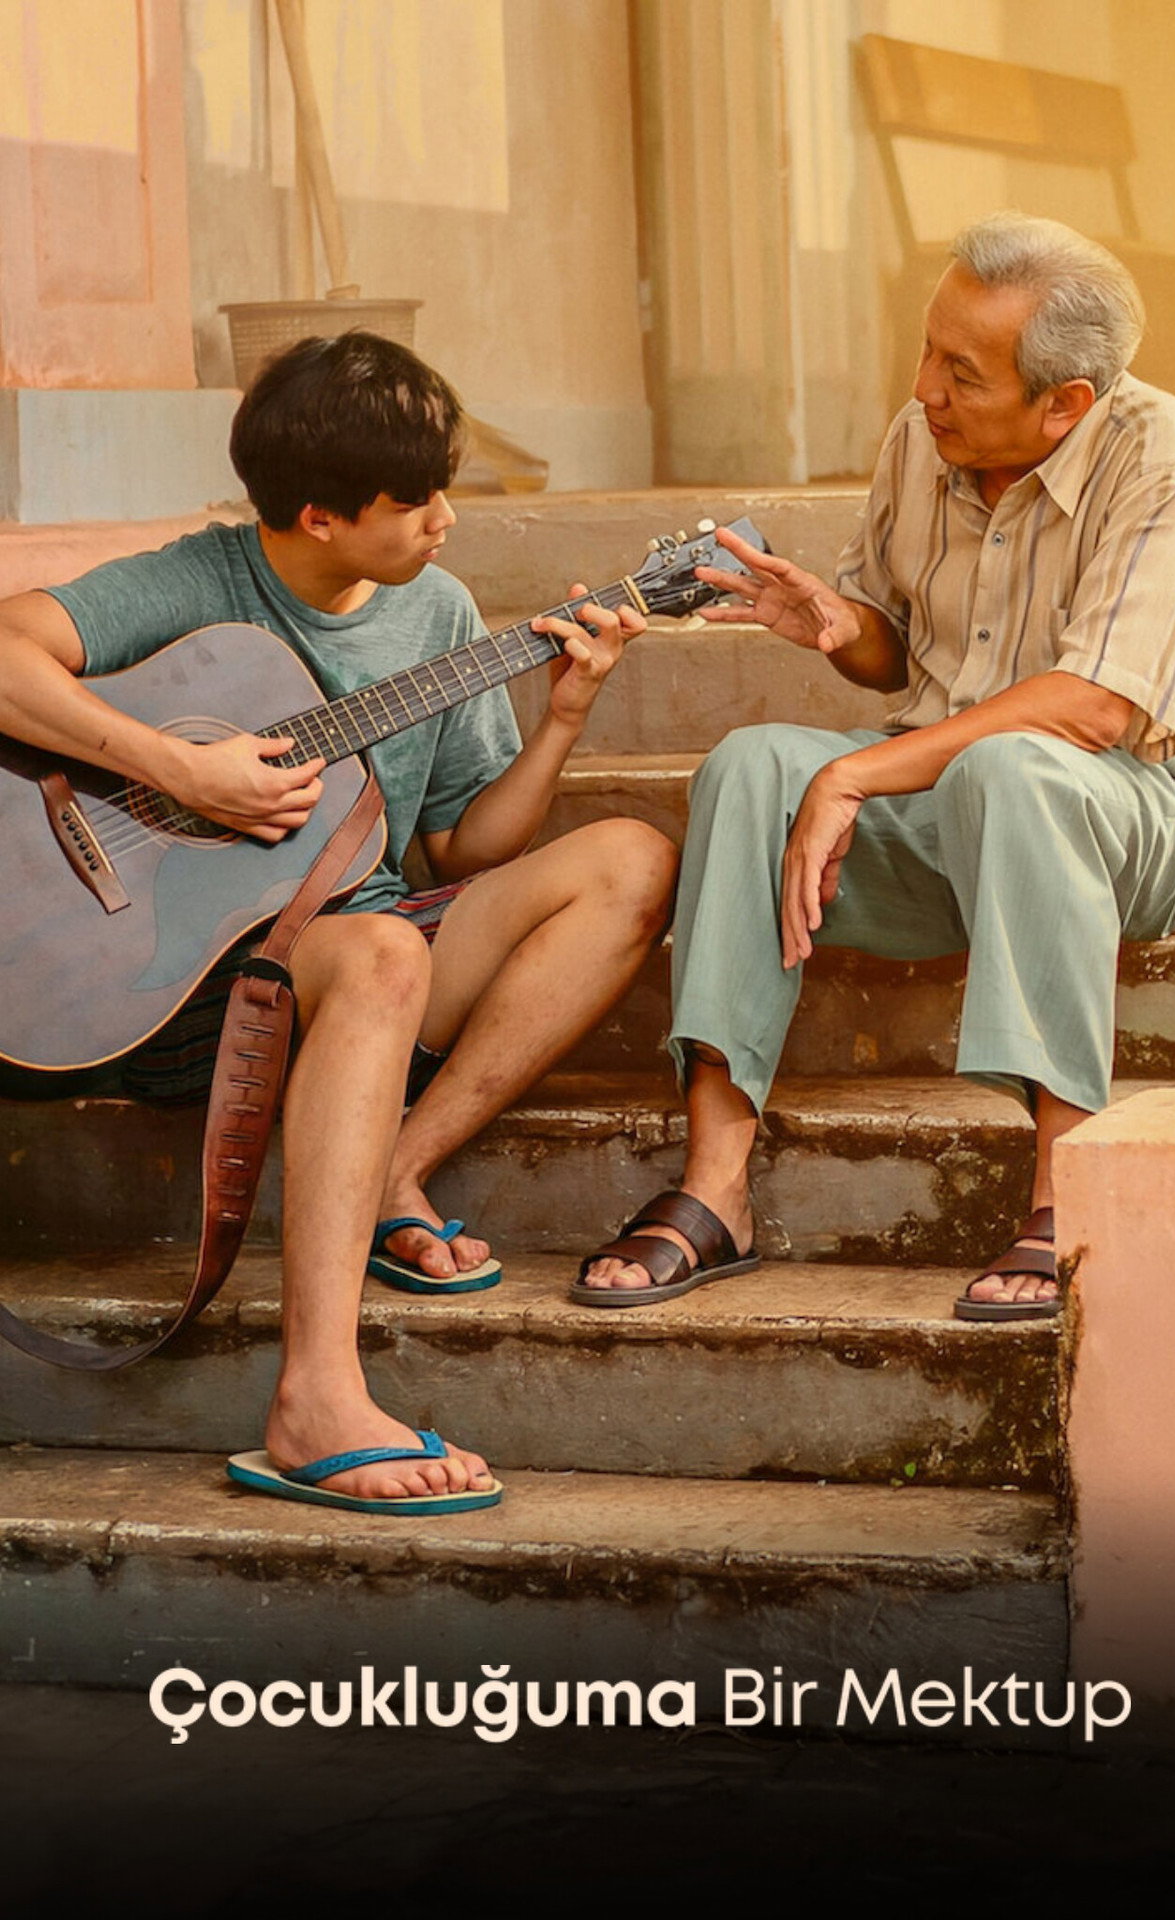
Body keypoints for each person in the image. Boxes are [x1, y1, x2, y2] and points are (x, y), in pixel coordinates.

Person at [0, 331, 676, 1509]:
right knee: (374, 948)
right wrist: (178, 767)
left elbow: (463, 849)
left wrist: (565, 714)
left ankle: (389, 1171)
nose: (444, 522)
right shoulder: (198, 583)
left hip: (355, 963)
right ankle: (316, 1395)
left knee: (627, 859)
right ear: (316, 517)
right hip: (161, 985)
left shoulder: (439, 611)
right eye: (413, 503)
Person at [575, 212, 1175, 1320]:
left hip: (1137, 813)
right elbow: (899, 650)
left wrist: (848, 781)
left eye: (961, 372)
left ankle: (1059, 1192)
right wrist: (841, 628)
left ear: (1063, 403)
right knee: (751, 767)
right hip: (949, 800)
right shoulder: (922, 437)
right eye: (926, 351)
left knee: (1013, 770)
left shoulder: (1162, 452)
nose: (925, 388)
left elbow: (1091, 706)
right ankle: (714, 1190)